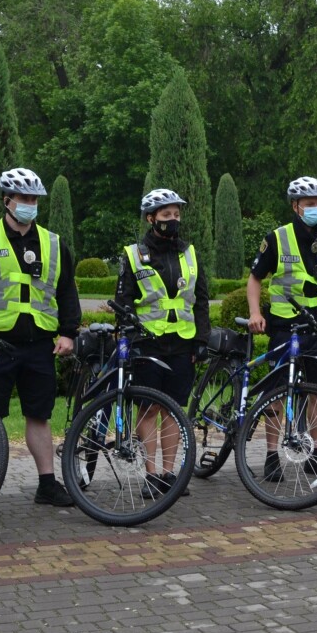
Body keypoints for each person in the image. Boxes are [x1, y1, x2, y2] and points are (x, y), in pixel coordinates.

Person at [0, 167, 80, 508]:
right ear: (7, 201)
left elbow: (68, 291)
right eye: (24, 199)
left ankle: (47, 484)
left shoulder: (54, 243)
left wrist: (68, 332)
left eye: (35, 199)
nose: (30, 205)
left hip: (39, 344)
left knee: (39, 416)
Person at [246, 176, 317, 482]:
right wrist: (254, 312)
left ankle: (314, 455)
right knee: (276, 393)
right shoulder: (277, 238)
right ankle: (271, 457)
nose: (316, 209)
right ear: (296, 206)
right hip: (285, 325)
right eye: (310, 204)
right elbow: (255, 279)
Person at [114, 189, 211, 496]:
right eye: (166, 215)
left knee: (174, 411)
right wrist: (128, 338)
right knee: (148, 409)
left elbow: (201, 300)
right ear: (151, 218)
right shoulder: (134, 254)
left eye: (176, 214)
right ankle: (151, 474)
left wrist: (201, 339)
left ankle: (170, 476)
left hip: (182, 343)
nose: (173, 220)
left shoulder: (189, 252)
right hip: (148, 343)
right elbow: (124, 300)